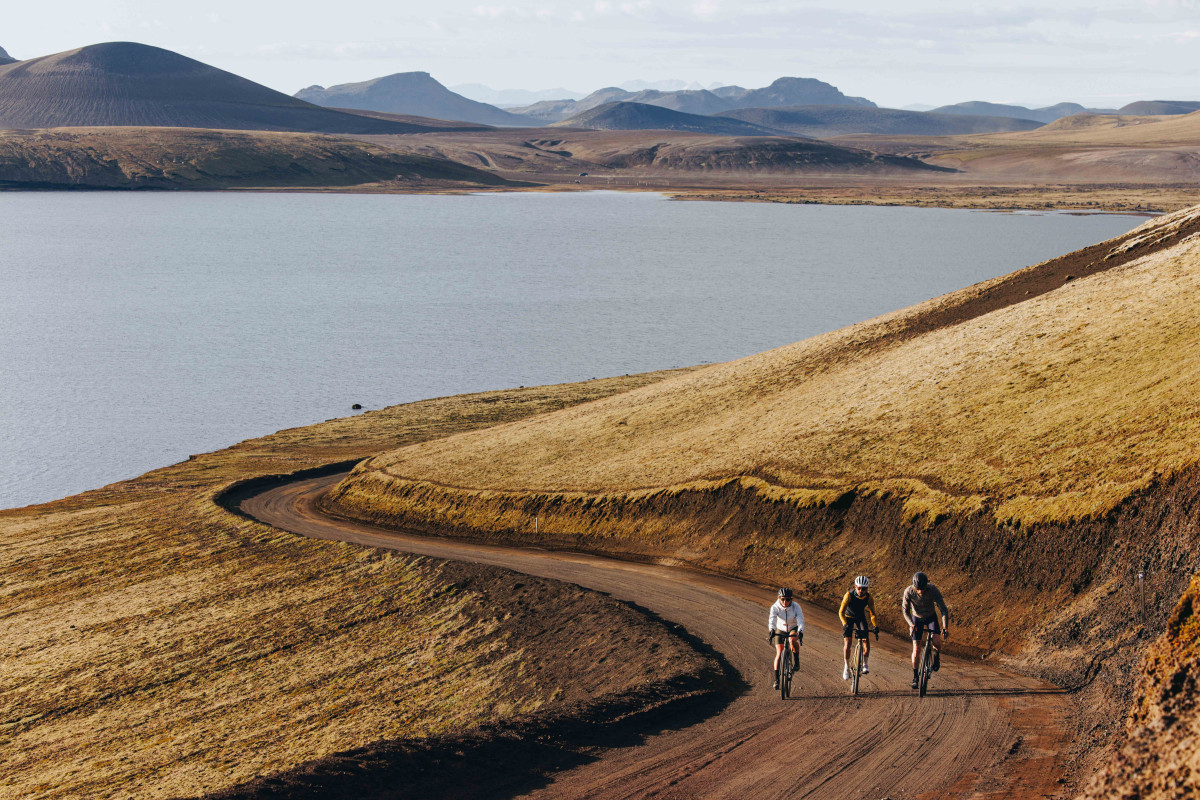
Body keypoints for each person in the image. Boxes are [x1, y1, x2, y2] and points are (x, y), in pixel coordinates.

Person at [902, 571, 951, 689]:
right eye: (918, 589)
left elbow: (943, 609)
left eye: (923, 589)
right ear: (914, 587)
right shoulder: (908, 591)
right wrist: (911, 624)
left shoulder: (933, 589)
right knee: (916, 649)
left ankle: (936, 655)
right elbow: (905, 610)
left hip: (931, 617)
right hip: (916, 619)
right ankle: (915, 677)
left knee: (937, 641)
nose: (921, 591)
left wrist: (945, 627)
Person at [839, 575, 879, 680]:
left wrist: (875, 626)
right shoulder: (848, 595)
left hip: (860, 618)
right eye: (859, 588)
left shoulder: (869, 598)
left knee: (865, 640)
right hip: (848, 617)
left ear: (867, 589)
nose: (861, 591)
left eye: (864, 589)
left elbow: (873, 614)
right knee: (848, 642)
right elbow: (841, 612)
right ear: (855, 587)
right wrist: (844, 624)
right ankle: (846, 667)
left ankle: (865, 664)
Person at [768, 587, 804, 689]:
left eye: (787, 599)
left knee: (792, 640)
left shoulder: (796, 607)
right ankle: (776, 679)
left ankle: (796, 660)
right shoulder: (775, 607)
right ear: (779, 598)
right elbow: (772, 619)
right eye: (782, 599)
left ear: (791, 599)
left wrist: (800, 631)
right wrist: (771, 630)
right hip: (781, 628)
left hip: (793, 627)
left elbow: (800, 619)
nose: (785, 602)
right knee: (779, 653)